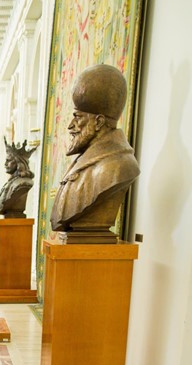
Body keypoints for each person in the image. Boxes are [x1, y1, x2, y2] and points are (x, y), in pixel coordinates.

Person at [50, 64, 140, 240]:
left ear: (98, 122)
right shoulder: (86, 159)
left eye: (78, 117)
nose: (70, 125)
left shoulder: (119, 167)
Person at [0, 138, 35, 218]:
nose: (5, 164)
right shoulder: (11, 182)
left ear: (18, 162)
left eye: (8, 161)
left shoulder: (23, 184)